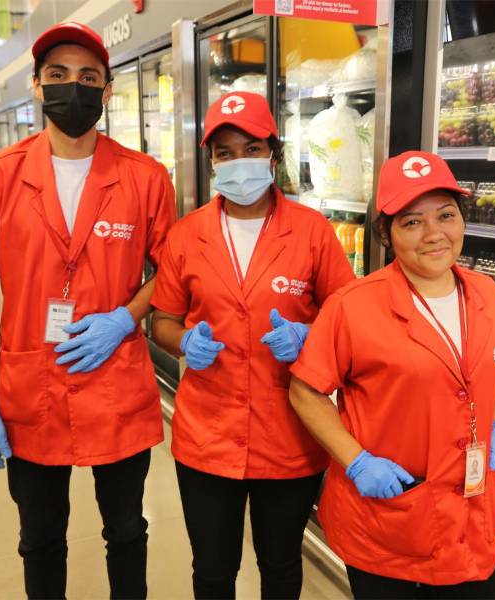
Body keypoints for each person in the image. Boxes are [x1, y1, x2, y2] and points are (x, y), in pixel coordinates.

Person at [0, 22, 175, 600]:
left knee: (127, 530)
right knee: (39, 538)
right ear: (36, 84)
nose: (75, 87)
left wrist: (127, 318)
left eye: (89, 77)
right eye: (59, 75)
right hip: (30, 388)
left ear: (108, 89)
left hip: (116, 381)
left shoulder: (145, 177)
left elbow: (170, 271)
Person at [150, 91, 355, 599]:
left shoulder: (311, 232)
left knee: (281, 565)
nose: (237, 161)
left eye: (250, 147)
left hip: (288, 434)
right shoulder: (187, 234)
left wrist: (309, 337)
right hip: (207, 436)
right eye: (224, 152)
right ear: (212, 162)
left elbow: (349, 316)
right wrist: (183, 342)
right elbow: (163, 321)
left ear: (275, 155)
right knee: (213, 569)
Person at [289, 151, 495, 599]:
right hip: (388, 523)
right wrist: (356, 461)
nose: (434, 234)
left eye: (446, 216)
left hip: (473, 520)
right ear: (387, 234)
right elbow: (305, 392)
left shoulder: (489, 296)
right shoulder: (353, 306)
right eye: (412, 222)